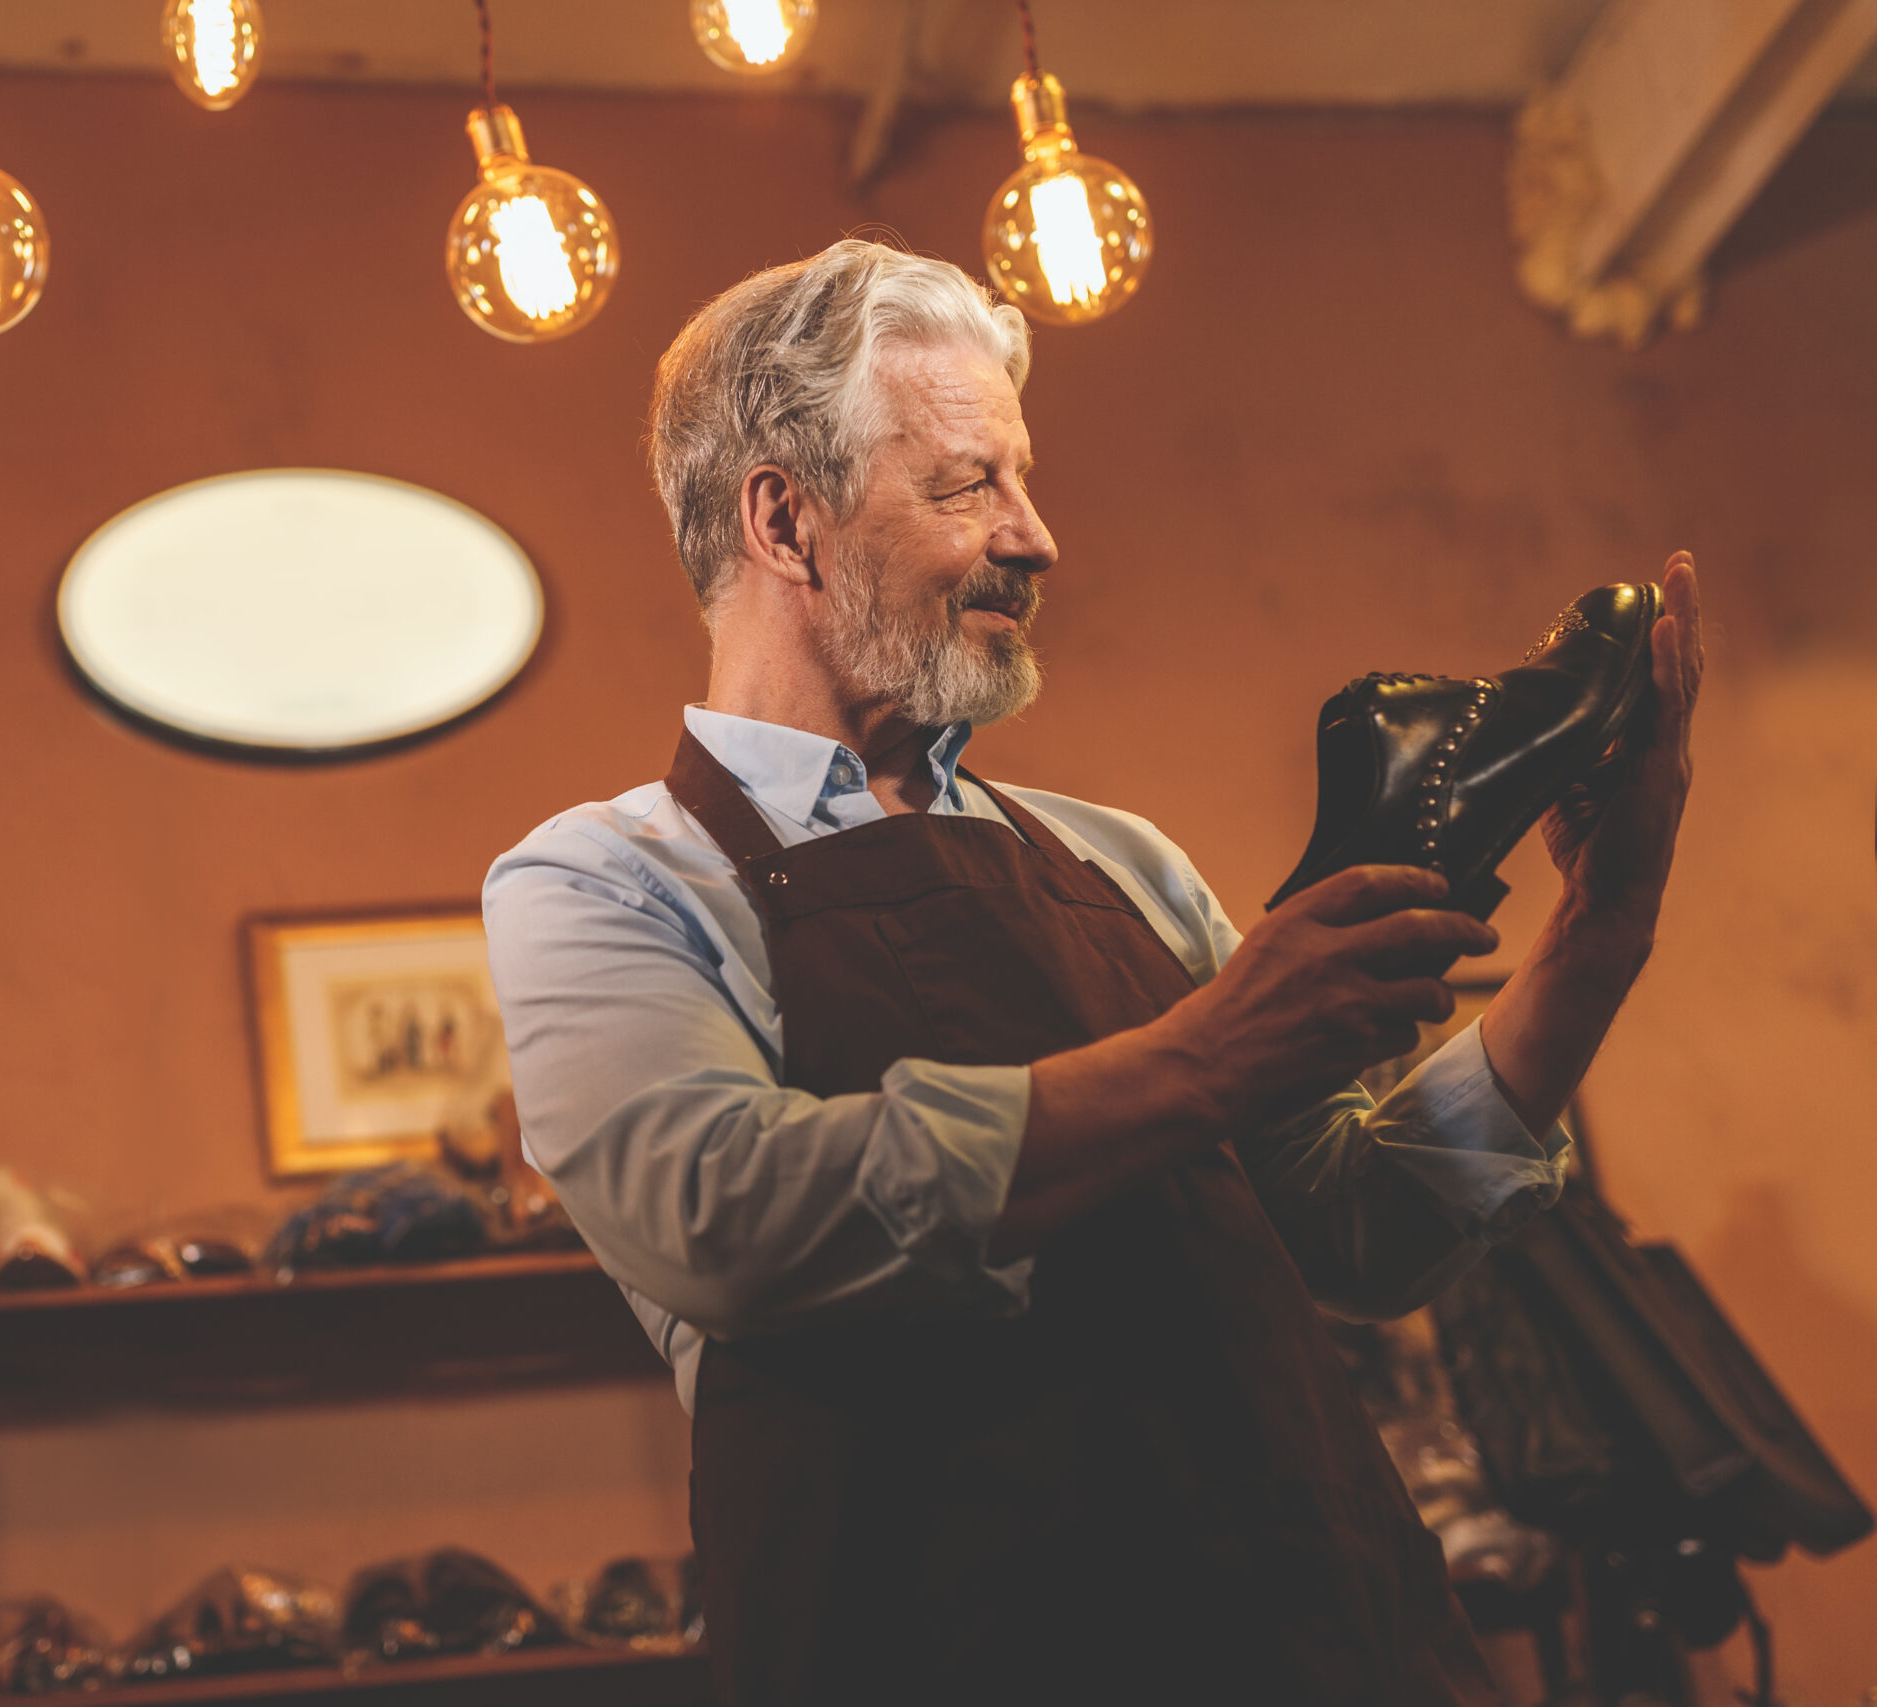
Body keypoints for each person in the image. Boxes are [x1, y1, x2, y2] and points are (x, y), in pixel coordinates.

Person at [481, 240, 1702, 1706]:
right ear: (786, 521)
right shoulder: (606, 878)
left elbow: (1355, 1234)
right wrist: (1205, 1058)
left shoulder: (1114, 858)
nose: (1038, 535)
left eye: (1025, 479)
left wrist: (1599, 935)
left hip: (1330, 1648)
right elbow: (727, 1214)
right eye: (967, 484)